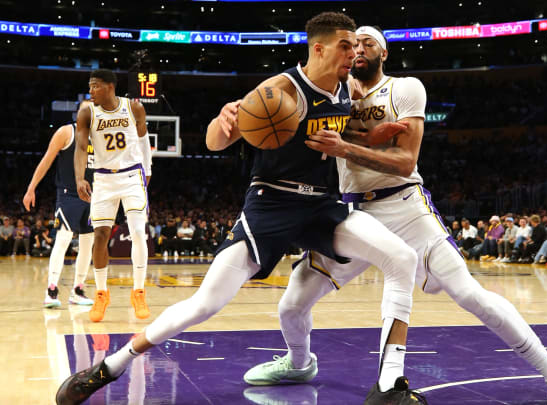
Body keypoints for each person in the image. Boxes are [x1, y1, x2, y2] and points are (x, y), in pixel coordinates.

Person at [57, 12, 419, 405]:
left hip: (321, 206)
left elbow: (338, 126)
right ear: (319, 48)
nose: (355, 52)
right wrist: (223, 122)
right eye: (346, 45)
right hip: (273, 204)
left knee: (401, 257)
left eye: (357, 45)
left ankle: (390, 383)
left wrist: (371, 135)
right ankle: (111, 365)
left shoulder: (346, 88)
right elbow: (215, 142)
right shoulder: (279, 90)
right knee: (206, 303)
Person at [243, 25, 547, 405]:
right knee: (292, 304)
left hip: (404, 206)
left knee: (471, 294)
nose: (358, 49)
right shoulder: (333, 95)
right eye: (352, 44)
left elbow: (405, 162)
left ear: (383, 53)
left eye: (367, 43)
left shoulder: (404, 88)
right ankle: (298, 362)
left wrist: (346, 148)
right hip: (350, 212)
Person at [73, 69, 153, 322]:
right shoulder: (87, 112)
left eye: (95, 86)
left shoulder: (134, 108)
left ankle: (138, 292)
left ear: (109, 86)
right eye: (89, 86)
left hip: (132, 176)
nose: (91, 90)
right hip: (104, 178)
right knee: (100, 235)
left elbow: (143, 142)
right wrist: (79, 177)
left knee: (138, 232)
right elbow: (79, 147)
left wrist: (147, 172)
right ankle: (101, 294)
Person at [23, 100, 95, 308]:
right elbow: (47, 159)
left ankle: (78, 290)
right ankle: (51, 290)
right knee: (63, 239)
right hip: (69, 194)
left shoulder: (100, 137)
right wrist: (31, 187)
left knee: (87, 245)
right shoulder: (67, 132)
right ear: (77, 113)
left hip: (93, 195)